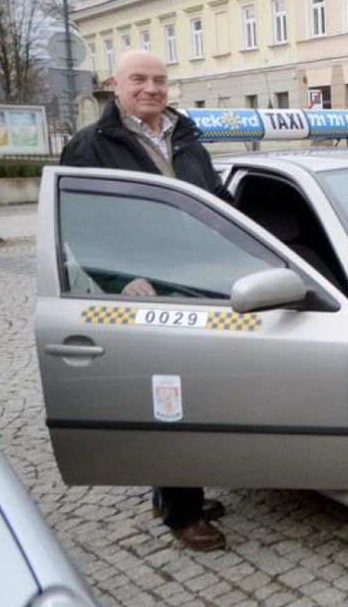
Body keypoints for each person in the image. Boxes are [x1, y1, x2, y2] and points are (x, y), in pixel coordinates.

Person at [61, 49, 229, 552]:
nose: (151, 88)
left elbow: (218, 203)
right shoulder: (91, 145)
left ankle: (168, 493)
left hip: (198, 287)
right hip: (145, 292)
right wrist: (122, 279)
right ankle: (183, 513)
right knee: (170, 402)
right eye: (139, 79)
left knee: (194, 393)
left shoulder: (186, 137)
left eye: (159, 79)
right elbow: (80, 227)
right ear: (115, 84)